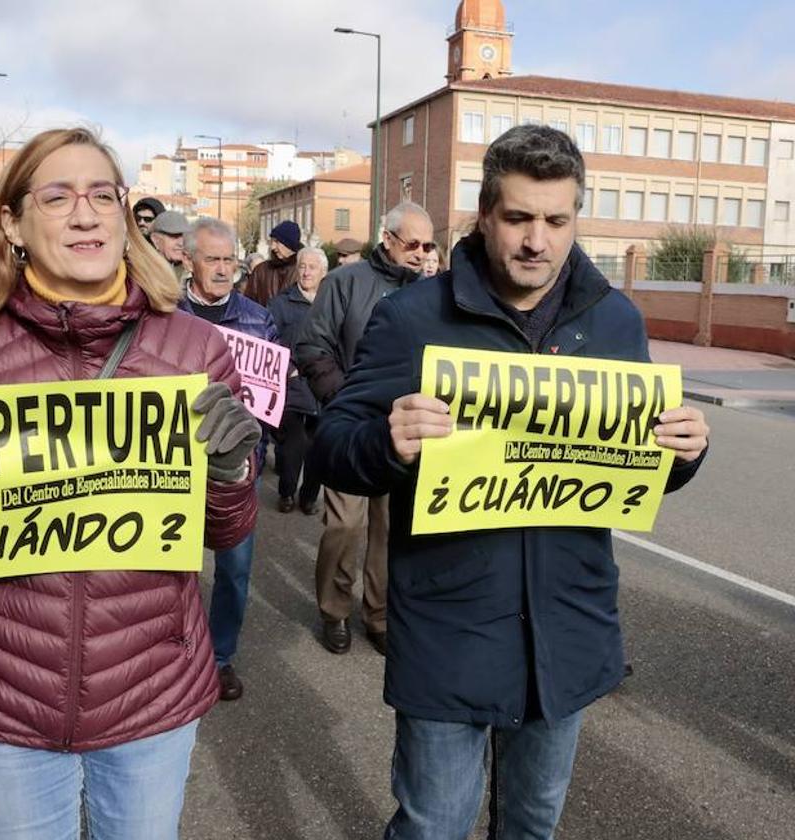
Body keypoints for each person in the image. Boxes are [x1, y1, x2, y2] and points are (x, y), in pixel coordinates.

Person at [0, 128, 259, 840]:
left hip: (149, 690)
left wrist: (230, 472)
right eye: (58, 195)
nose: (85, 213)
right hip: (0, 694)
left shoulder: (194, 348)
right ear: (12, 222)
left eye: (103, 195)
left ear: (125, 217)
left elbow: (225, 530)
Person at [310, 125, 710, 840]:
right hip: (450, 630)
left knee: (533, 825)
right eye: (520, 218)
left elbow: (633, 466)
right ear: (486, 215)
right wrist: (386, 441)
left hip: (567, 633)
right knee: (434, 824)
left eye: (557, 221)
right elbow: (334, 447)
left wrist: (682, 454)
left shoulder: (615, 320)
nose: (538, 240)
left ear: (576, 219)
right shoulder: (411, 318)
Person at [294, 201, 432, 657]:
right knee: (344, 526)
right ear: (387, 238)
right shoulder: (344, 283)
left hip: (406, 434)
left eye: (427, 245)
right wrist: (342, 401)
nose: (420, 253)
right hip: (353, 428)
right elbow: (312, 345)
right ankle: (334, 610)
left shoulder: (433, 295)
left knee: (392, 530)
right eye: (412, 243)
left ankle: (379, 614)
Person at [177, 217, 278, 703]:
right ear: (188, 260)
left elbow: (274, 395)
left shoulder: (259, 319)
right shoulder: (162, 314)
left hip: (237, 468)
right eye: (212, 259)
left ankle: (219, 657)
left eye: (230, 260)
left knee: (235, 569)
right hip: (173, 465)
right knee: (171, 567)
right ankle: (175, 657)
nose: (223, 269)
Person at [268, 246, 326, 515]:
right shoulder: (282, 303)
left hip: (323, 383)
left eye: (312, 267)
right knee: (294, 442)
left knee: (318, 444)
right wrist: (287, 368)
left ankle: (309, 497)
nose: (306, 272)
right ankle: (287, 492)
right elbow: (269, 337)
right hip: (292, 381)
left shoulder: (330, 302)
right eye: (302, 266)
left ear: (323, 272)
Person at [242, 220, 300, 307]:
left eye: (277, 242)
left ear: (289, 244)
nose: (273, 247)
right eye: (271, 242)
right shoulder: (260, 271)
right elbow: (247, 305)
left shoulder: (303, 271)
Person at [148, 210, 191, 284]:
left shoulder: (190, 270)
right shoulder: (145, 273)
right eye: (174, 236)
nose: (181, 243)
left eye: (184, 236)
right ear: (155, 239)